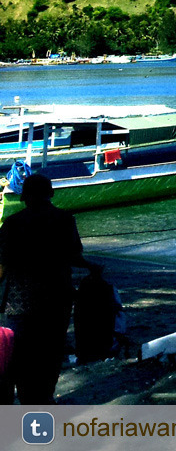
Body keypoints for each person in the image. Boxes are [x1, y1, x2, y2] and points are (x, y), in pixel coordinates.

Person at [0, 172, 97, 404]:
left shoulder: (12, 224)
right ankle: (43, 399)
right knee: (50, 354)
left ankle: (27, 399)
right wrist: (93, 268)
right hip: (56, 302)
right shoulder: (65, 219)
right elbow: (75, 256)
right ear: (50, 194)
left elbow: (2, 266)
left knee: (20, 356)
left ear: (25, 197)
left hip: (19, 305)